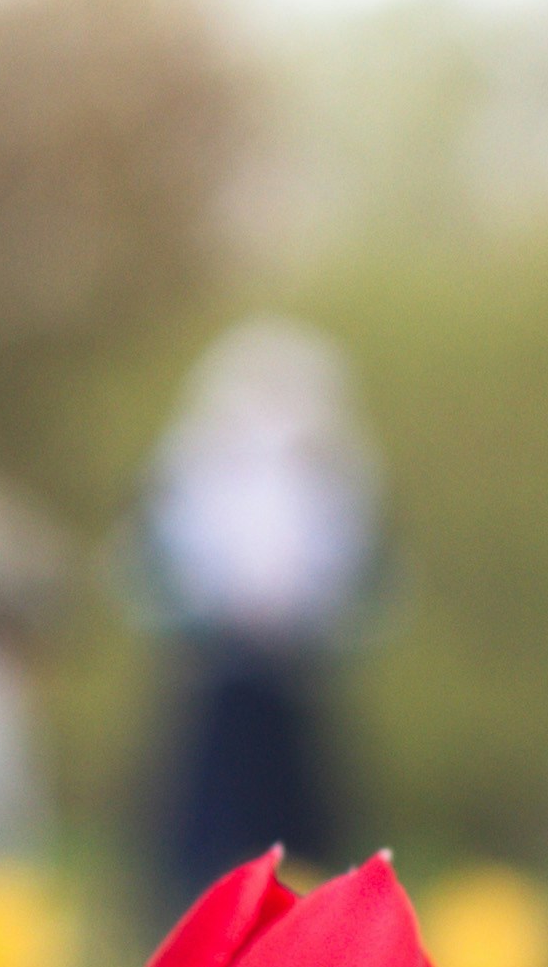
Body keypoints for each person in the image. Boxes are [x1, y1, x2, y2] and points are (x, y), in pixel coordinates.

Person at [133, 319, 376, 907]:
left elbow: (356, 567)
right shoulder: (191, 466)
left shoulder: (335, 472)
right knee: (207, 807)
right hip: (214, 669)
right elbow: (158, 565)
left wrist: (306, 616)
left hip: (296, 672)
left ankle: (307, 912)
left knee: (299, 810)